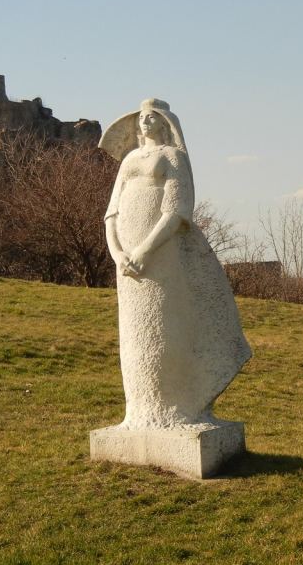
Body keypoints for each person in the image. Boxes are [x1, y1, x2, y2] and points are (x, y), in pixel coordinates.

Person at [99, 98, 251, 429]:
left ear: (165, 123)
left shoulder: (172, 156)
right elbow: (112, 212)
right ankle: (139, 410)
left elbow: (175, 211)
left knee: (164, 321)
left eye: (151, 117)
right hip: (126, 259)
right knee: (135, 330)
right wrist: (118, 253)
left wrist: (145, 250)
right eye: (141, 117)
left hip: (160, 252)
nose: (144, 121)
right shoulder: (129, 160)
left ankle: (176, 406)